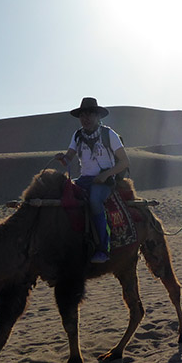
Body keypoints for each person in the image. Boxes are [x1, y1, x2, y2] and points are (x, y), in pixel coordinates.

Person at [55, 98, 130, 263]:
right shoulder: (77, 135)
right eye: (82, 115)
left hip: (105, 181)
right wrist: (63, 159)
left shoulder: (109, 134)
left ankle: (103, 248)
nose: (85, 118)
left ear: (97, 116)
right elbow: (69, 157)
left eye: (89, 114)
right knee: (61, 193)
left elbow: (124, 162)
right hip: (84, 180)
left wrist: (105, 175)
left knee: (95, 201)